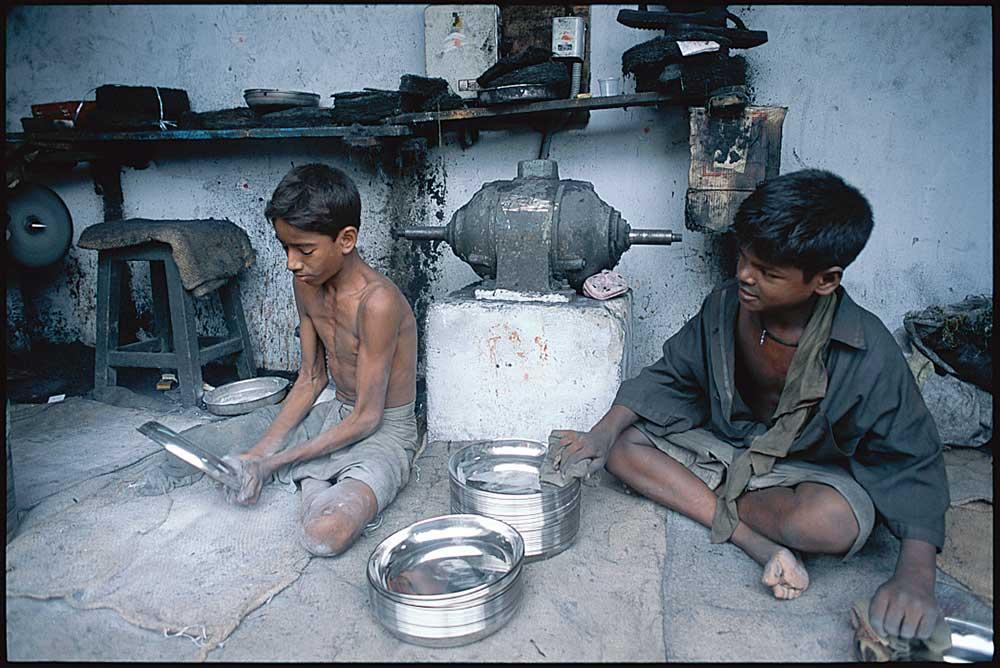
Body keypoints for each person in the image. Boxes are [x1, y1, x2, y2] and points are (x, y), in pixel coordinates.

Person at [549, 169, 949, 642]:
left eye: (768, 272)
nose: (744, 274)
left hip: (798, 474)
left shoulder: (866, 352)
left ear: (825, 280)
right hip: (724, 449)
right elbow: (670, 376)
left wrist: (915, 578)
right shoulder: (724, 307)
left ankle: (701, 500)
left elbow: (912, 461)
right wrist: (601, 432)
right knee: (620, 446)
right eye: (744, 256)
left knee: (829, 523)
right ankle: (753, 541)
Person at [150, 163, 419, 557]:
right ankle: (313, 477)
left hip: (383, 431)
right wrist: (260, 453)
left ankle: (312, 483)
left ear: (346, 240)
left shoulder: (378, 303)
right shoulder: (305, 284)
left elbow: (367, 418)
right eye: (285, 248)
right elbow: (311, 379)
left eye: (304, 249)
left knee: (325, 534)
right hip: (333, 417)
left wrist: (272, 462)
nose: (292, 262)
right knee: (182, 453)